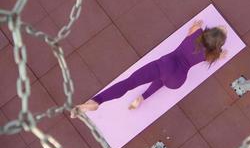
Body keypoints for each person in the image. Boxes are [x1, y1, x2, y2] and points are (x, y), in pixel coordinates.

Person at [70, 20, 227, 118]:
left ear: (209, 32)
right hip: (178, 79)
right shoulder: (211, 55)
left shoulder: (196, 32)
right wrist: (222, 53)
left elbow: (193, 27)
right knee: (163, 81)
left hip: (167, 62)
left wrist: (198, 24)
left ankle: (97, 101)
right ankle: (143, 97)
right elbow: (219, 55)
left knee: (130, 82)